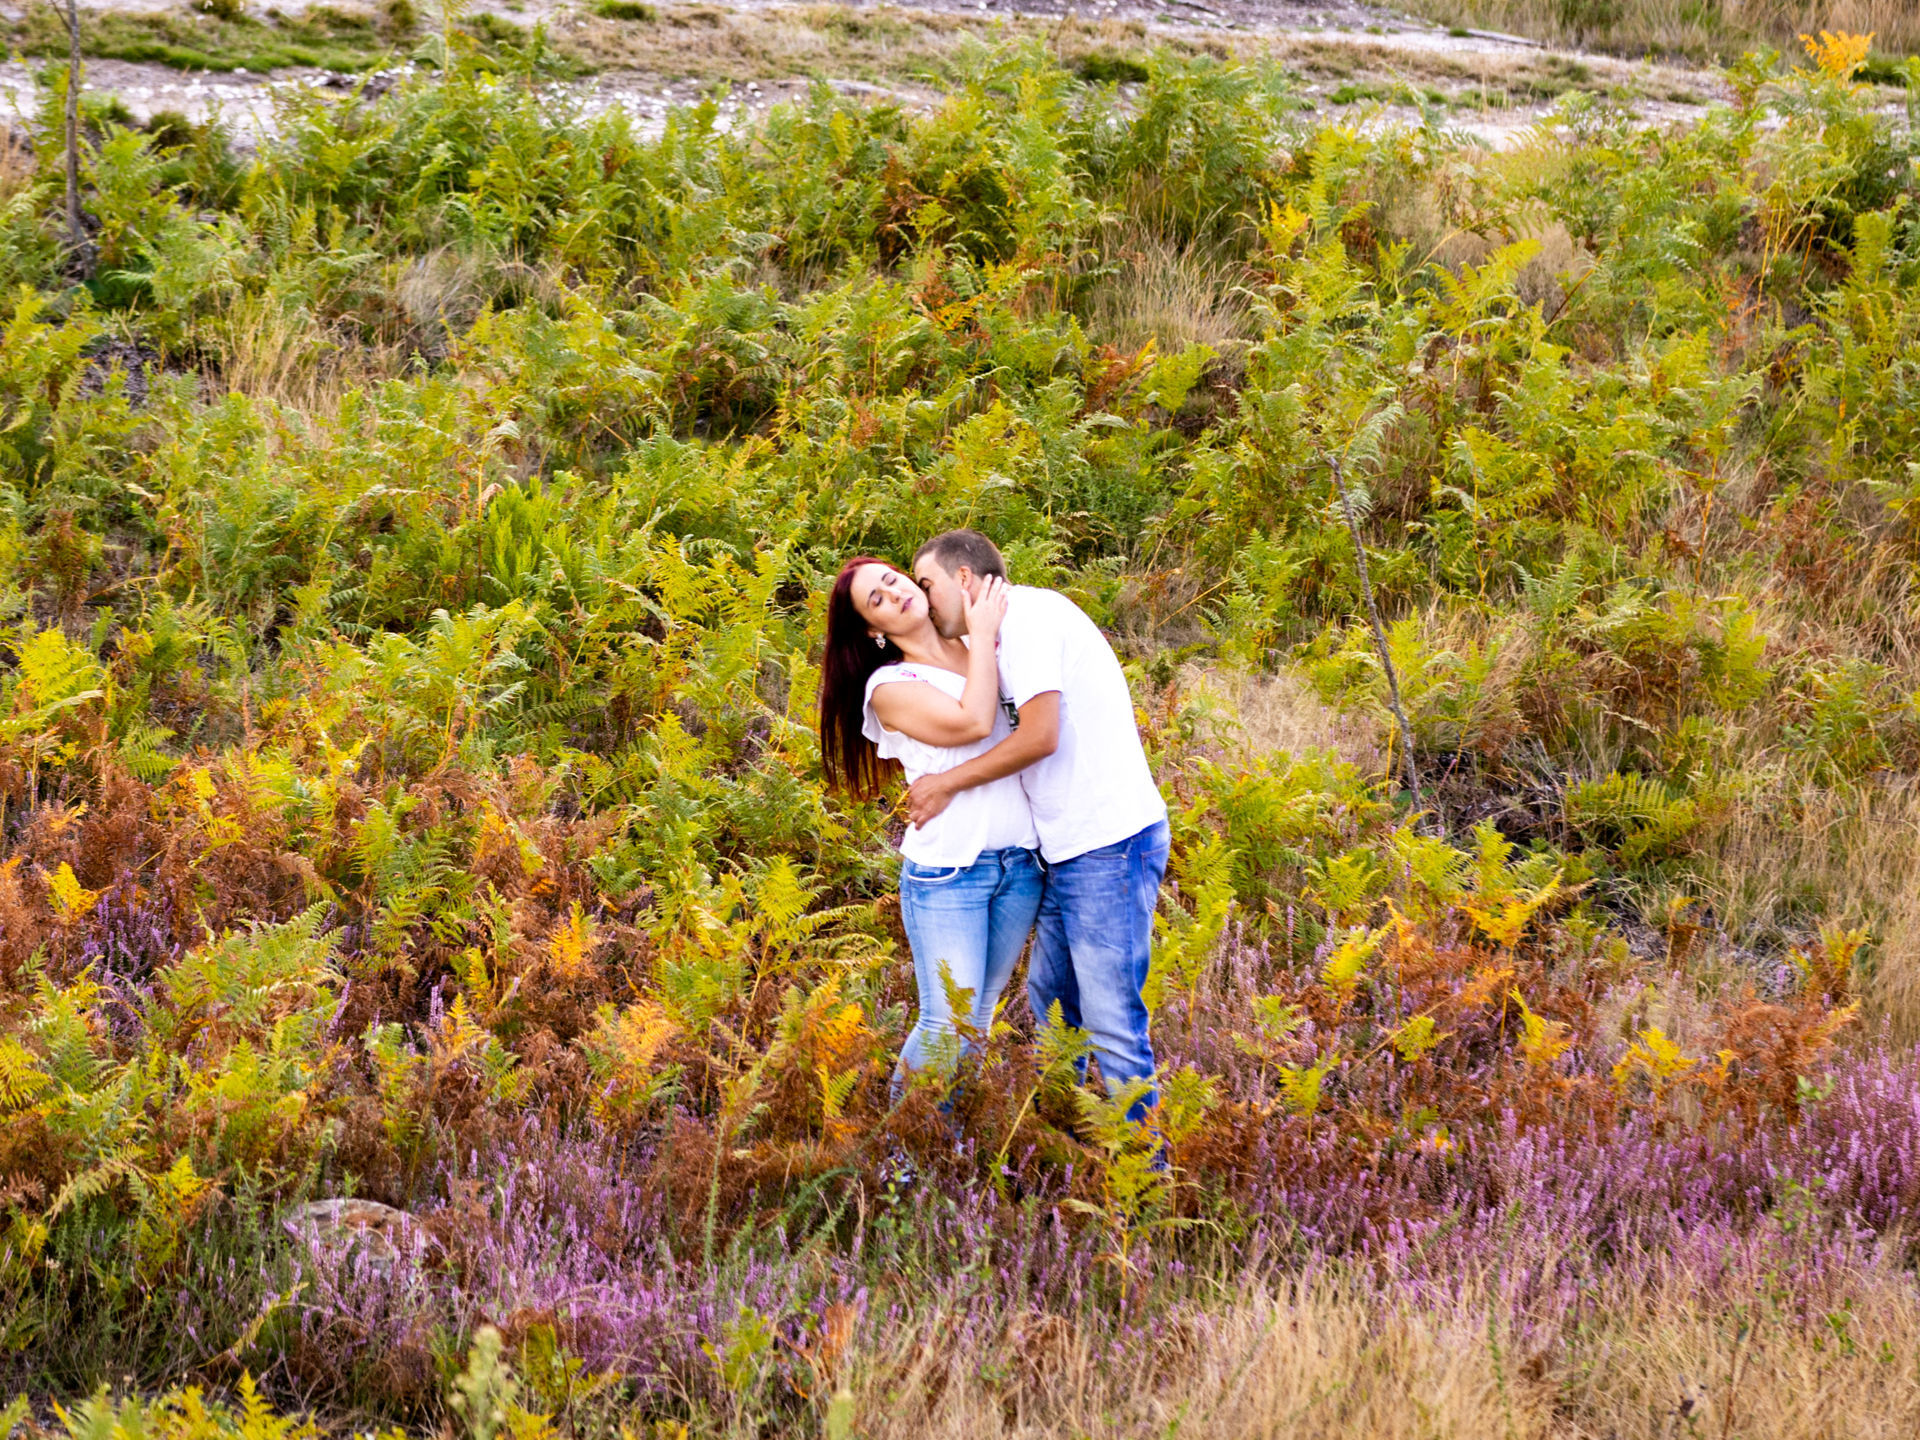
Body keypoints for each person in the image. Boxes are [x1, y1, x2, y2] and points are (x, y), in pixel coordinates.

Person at [907, 531, 1170, 1121]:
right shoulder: (995, 638)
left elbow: (1040, 734)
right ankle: (1065, 1142)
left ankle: (1142, 1184)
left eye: (927, 585)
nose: (924, 601)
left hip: (1109, 844)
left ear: (965, 580)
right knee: (1054, 1004)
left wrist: (948, 783)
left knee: (1111, 1024)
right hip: (1068, 850)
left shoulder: (1026, 621)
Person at [817, 556, 1041, 1099]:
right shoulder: (891, 685)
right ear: (874, 630)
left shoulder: (978, 646)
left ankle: (947, 1143)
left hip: (1020, 862)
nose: (893, 594)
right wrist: (985, 635)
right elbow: (972, 722)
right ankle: (901, 1161)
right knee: (945, 1023)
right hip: (950, 871)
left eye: (892, 579)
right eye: (877, 600)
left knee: (978, 1019)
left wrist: (981, 639)